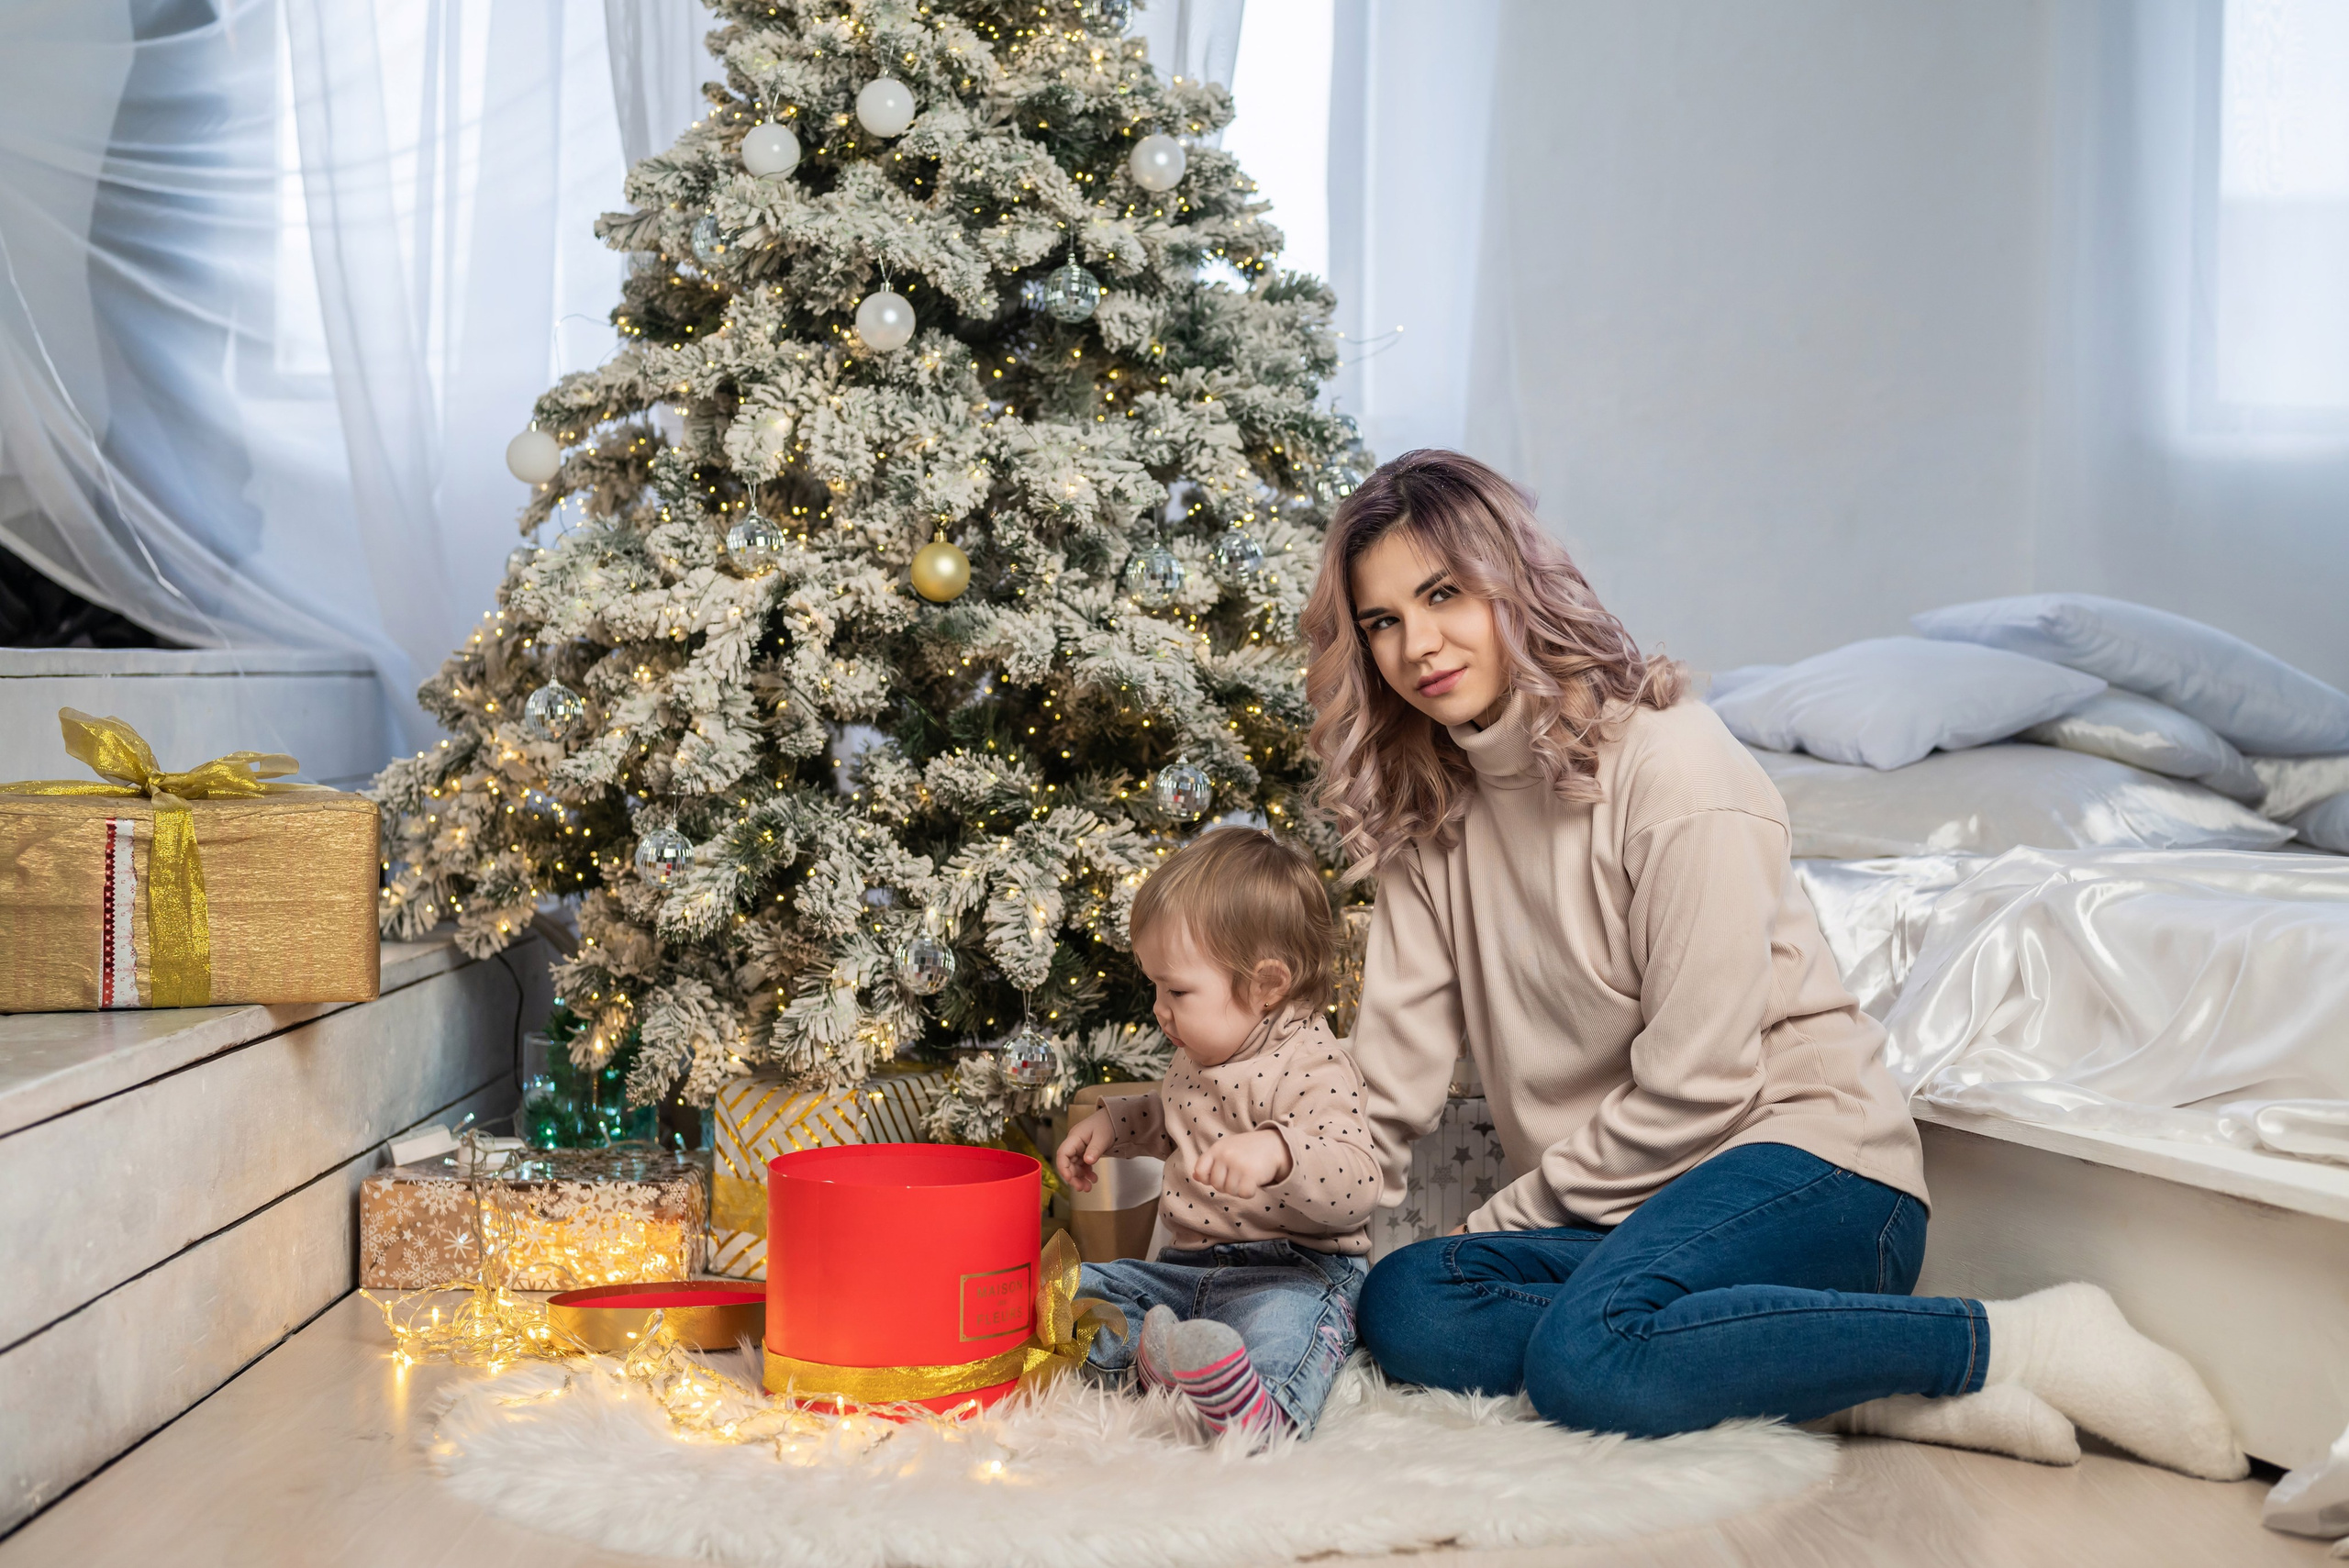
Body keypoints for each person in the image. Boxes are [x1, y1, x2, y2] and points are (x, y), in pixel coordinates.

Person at [1303, 448, 2243, 1479]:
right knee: (1407, 1302)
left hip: (1810, 1172)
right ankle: (1843, 1385)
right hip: (1629, 1218)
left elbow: (1699, 1084)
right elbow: (1385, 1093)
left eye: (1442, 594)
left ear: (1513, 583)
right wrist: (1276, 1208)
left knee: (1587, 1359)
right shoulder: (1427, 814)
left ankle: (2018, 1339)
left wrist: (1496, 1224)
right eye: (1382, 619)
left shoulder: (1670, 759)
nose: (1417, 644)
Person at [1056, 827, 1379, 1443]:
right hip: (1183, 1271)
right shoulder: (1201, 1050)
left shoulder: (1315, 1064)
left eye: (1176, 989)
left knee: (1286, 1332)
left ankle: (1258, 1411)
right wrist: (1114, 1124)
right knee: (1078, 1291)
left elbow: (1359, 1180)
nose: (1159, 1007)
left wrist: (1279, 1151)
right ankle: (1155, 1363)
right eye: (1155, 986)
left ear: (1266, 986)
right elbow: (1172, 1113)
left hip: (1293, 1270)